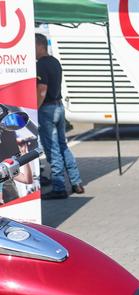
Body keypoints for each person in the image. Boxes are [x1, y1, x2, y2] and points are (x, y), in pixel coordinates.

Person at [36, 33, 84, 199]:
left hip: (47, 109)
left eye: (33, 46)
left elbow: (42, 90)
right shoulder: (55, 61)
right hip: (59, 106)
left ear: (40, 46)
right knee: (63, 145)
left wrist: (35, 108)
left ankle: (59, 187)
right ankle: (76, 182)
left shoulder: (41, 64)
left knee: (52, 149)